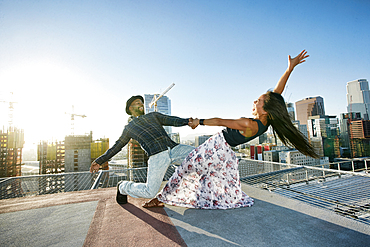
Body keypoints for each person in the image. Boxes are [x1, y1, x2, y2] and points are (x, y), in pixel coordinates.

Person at [143, 50, 318, 209]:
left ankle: (162, 198)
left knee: (185, 169)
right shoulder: (265, 121)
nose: (254, 102)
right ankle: (187, 196)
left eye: (258, 101)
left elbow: (220, 121)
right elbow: (276, 94)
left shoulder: (249, 124)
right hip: (224, 151)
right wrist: (289, 69)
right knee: (203, 174)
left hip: (215, 146)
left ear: (265, 109)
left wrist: (199, 121)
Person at [90, 95, 195, 204]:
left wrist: (188, 121)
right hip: (157, 156)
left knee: (201, 156)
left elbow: (171, 120)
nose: (141, 104)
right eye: (137, 103)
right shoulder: (129, 127)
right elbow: (117, 146)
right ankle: (123, 186)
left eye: (141, 103)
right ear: (130, 108)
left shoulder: (153, 116)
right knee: (149, 192)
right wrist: (99, 161)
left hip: (174, 148)